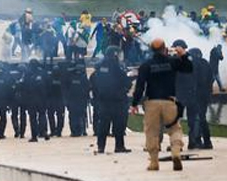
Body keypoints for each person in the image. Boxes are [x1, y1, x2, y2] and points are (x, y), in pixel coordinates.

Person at [130, 38, 193, 171]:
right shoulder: (173, 62)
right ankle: (176, 152)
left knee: (151, 132)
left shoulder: (146, 65)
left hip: (152, 102)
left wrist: (134, 103)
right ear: (165, 48)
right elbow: (188, 68)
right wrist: (183, 54)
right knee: (175, 128)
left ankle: (154, 162)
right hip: (169, 101)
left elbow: (140, 87)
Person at [90, 46, 131, 153]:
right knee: (119, 125)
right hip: (117, 100)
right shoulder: (117, 67)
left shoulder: (99, 67)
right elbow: (126, 81)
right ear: (115, 55)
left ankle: (101, 146)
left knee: (103, 124)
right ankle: (119, 146)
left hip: (103, 100)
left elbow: (93, 82)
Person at [190, 48, 214, 149]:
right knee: (202, 118)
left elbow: (192, 80)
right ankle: (207, 141)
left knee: (196, 118)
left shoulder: (194, 65)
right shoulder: (206, 63)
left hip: (196, 95)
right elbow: (211, 79)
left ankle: (197, 141)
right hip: (205, 95)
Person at [25, 59, 49, 142]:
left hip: (31, 99)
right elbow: (48, 84)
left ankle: (34, 136)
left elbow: (24, 86)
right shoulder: (43, 73)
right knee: (42, 115)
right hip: (42, 98)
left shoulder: (28, 74)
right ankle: (44, 132)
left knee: (33, 118)